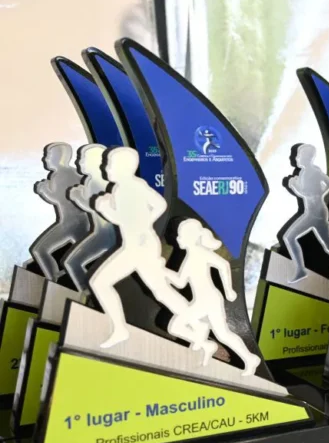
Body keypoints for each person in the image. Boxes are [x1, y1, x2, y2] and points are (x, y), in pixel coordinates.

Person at [89, 147, 205, 348]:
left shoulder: (126, 188)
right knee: (160, 290)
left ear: (124, 168)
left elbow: (123, 219)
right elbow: (160, 205)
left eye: (109, 164)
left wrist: (104, 207)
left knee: (101, 283)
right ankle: (197, 324)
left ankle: (120, 329)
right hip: (141, 245)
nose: (105, 167)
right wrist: (146, 224)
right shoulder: (133, 185)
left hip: (139, 248)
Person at [165, 219, 261, 375]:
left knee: (179, 326)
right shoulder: (190, 256)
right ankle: (204, 352)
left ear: (192, 237)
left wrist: (229, 290)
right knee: (218, 333)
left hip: (209, 300)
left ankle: (244, 357)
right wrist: (164, 272)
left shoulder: (201, 253)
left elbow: (223, 265)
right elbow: (180, 282)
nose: (178, 239)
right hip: (203, 300)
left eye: (181, 235)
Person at [282, 144, 329, 282]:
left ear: (306, 157)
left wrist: (293, 184)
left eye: (299, 155)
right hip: (316, 212)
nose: (296, 158)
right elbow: (328, 184)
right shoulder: (310, 171)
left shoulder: (310, 172)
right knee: (328, 244)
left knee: (290, 237)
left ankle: (301, 270)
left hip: (315, 214)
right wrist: (320, 194)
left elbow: (306, 192)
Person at [30, 143, 91, 280]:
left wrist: (43, 190)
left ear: (59, 158)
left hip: (69, 223)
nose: (45, 159)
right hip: (82, 220)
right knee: (82, 255)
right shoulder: (75, 173)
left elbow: (58, 198)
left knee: (40, 250)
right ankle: (82, 281)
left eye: (49, 156)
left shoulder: (59, 175)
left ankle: (54, 279)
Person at [62, 144, 117, 292]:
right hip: (102, 232)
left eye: (83, 159)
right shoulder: (92, 181)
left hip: (106, 234)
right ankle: (90, 293)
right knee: (75, 263)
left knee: (73, 262)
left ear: (94, 161)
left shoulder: (96, 182)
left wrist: (77, 196)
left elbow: (92, 206)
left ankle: (88, 294)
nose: (79, 162)